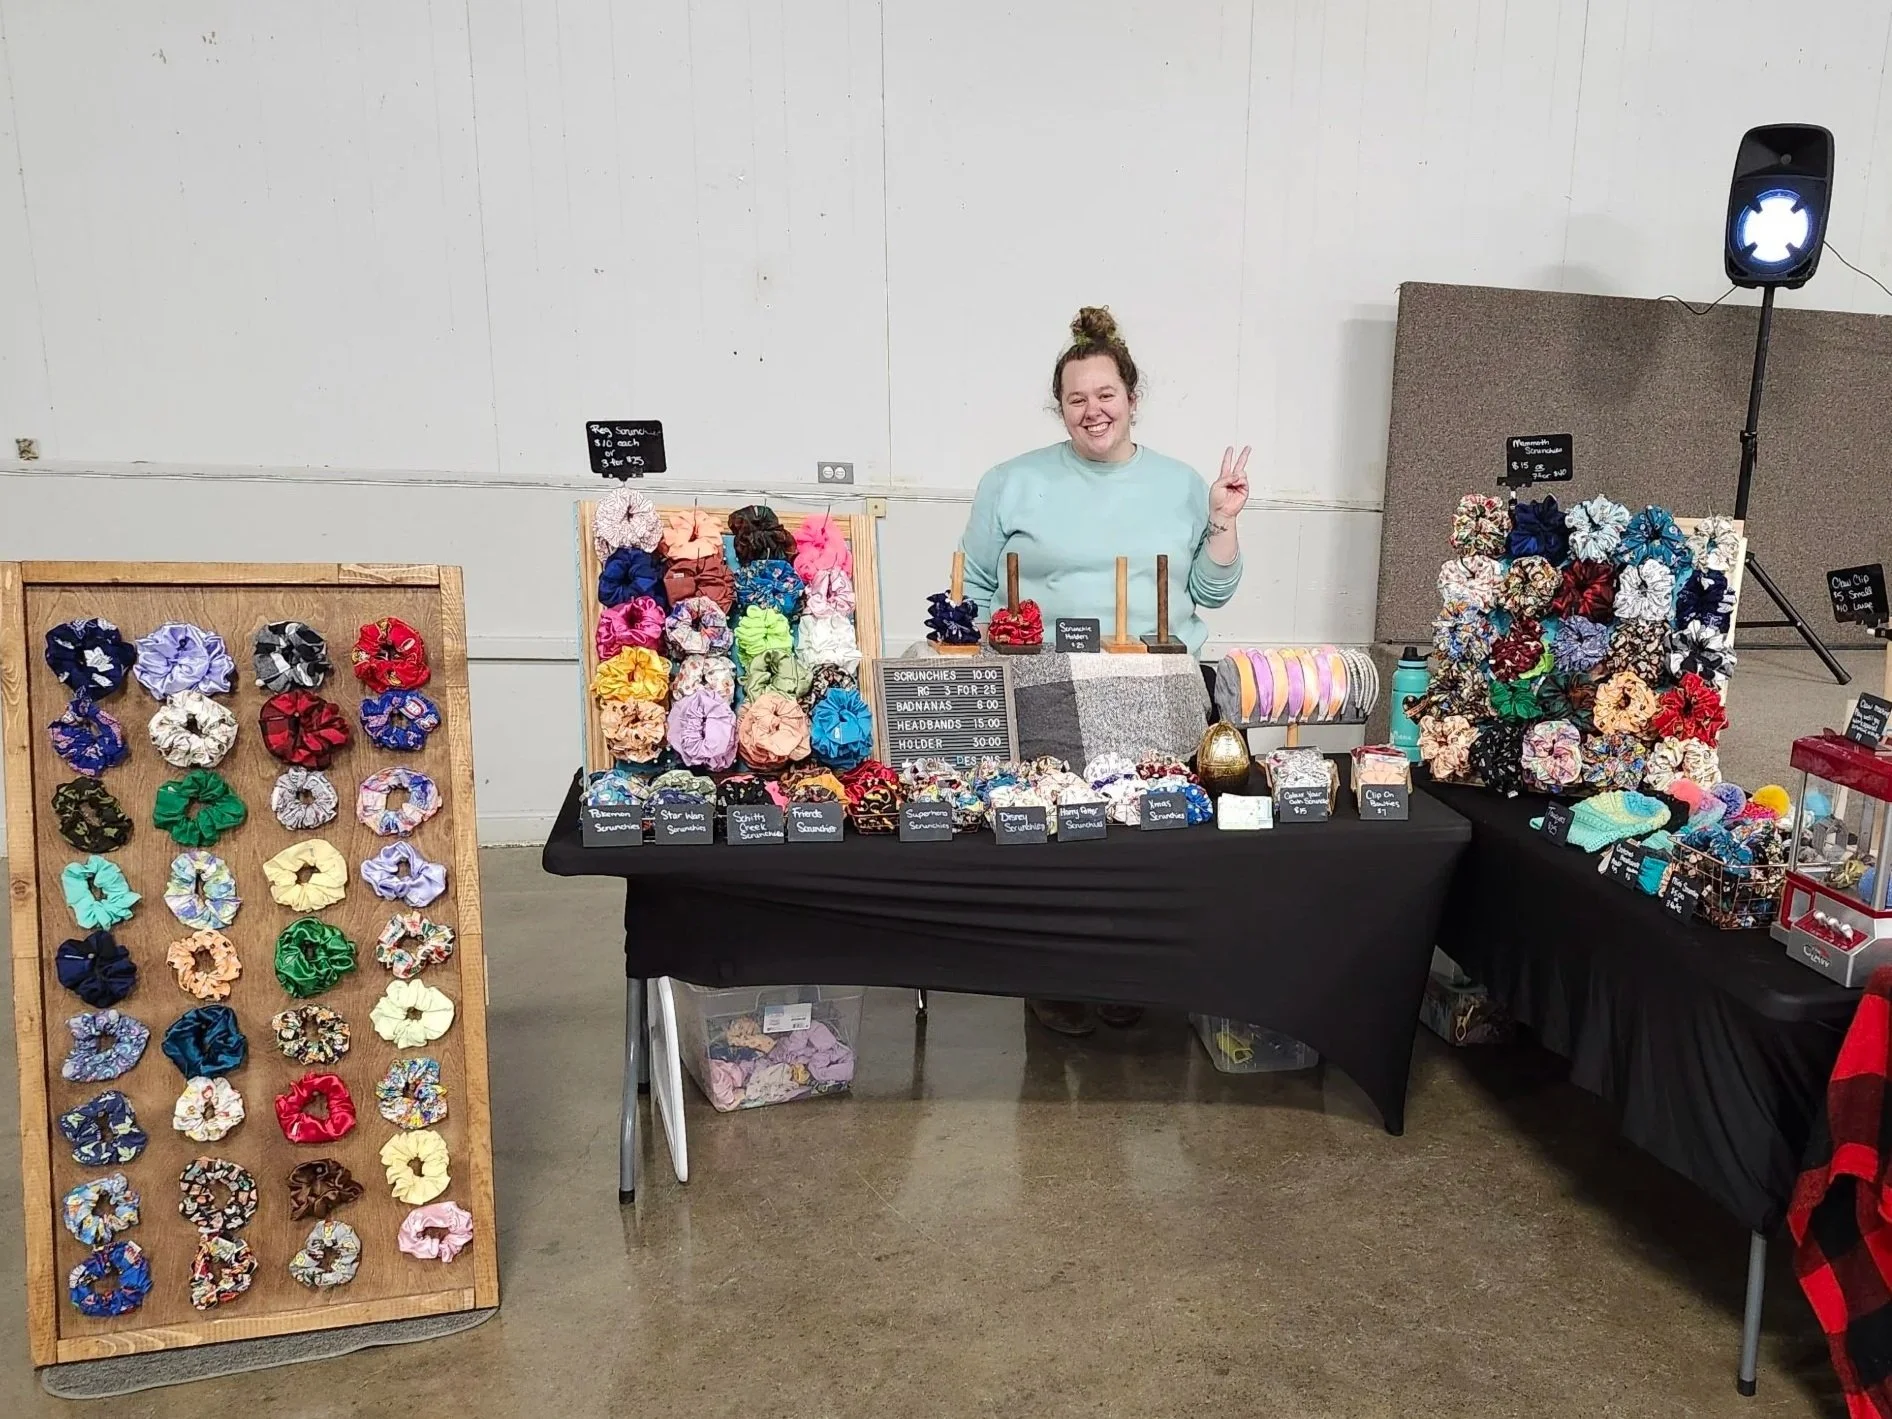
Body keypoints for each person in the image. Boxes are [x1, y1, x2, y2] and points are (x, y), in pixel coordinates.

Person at [957, 305, 1249, 1037]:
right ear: (1060, 408)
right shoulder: (1009, 482)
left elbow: (1211, 592)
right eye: (1076, 398)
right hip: (1041, 684)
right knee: (1049, 840)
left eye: (1106, 394)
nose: (1093, 411)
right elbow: (978, 592)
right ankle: (1052, 976)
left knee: (1145, 840)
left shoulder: (1183, 484)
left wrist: (1223, 519)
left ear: (1133, 397)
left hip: (1155, 684)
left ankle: (1133, 972)